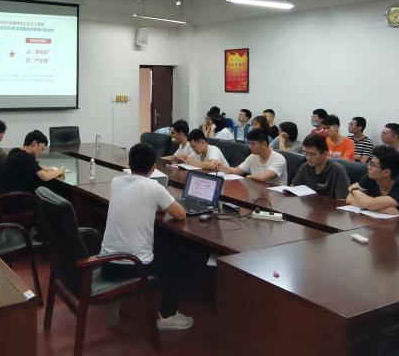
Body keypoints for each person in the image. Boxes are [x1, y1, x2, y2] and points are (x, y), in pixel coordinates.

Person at [98, 143, 194, 331]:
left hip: (106, 263)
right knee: (179, 260)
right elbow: (181, 214)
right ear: (153, 168)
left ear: (129, 164)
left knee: (159, 246)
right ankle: (168, 316)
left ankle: (119, 297)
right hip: (134, 266)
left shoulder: (116, 182)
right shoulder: (154, 187)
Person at [346, 146, 399, 216]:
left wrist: (354, 189)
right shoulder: (369, 178)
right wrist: (381, 209)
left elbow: (370, 204)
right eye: (370, 163)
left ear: (386, 172)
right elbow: (349, 198)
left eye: (373, 165)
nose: (368, 167)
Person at [0, 130, 66, 200]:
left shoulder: (15, 151)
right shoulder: (26, 157)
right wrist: (60, 171)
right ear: (34, 143)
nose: (41, 153)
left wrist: (52, 169)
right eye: (42, 148)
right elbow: (45, 177)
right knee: (56, 189)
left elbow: (37, 166)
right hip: (16, 198)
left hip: (5, 195)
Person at [216, 129, 288, 184]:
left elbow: (263, 177)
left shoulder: (279, 159)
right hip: (256, 190)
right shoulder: (253, 156)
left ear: (264, 144)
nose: (249, 147)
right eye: (249, 143)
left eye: (253, 144)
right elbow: (236, 171)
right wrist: (220, 167)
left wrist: (249, 176)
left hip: (276, 196)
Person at [291, 134, 350, 199]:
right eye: (305, 153)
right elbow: (293, 188)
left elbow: (343, 200)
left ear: (325, 154)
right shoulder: (305, 167)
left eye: (312, 154)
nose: (308, 158)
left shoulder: (338, 171)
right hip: (308, 204)